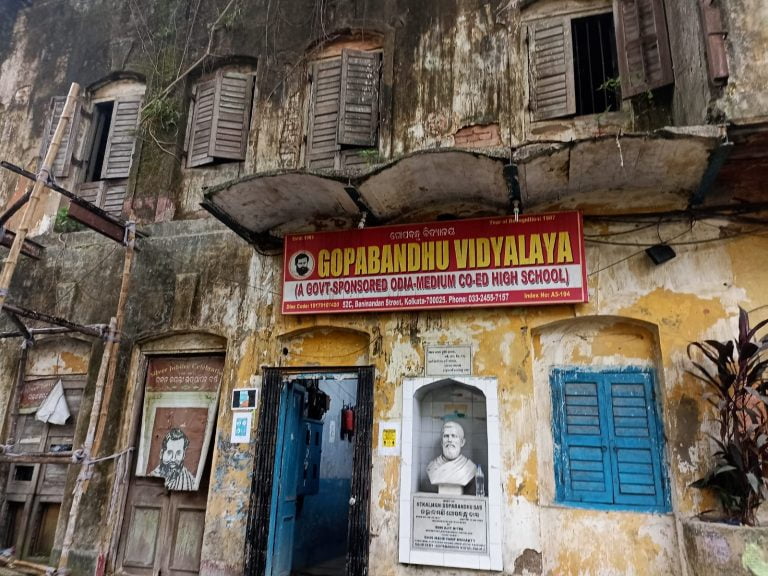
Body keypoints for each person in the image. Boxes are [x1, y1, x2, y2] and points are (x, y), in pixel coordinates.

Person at [426, 421, 476, 492]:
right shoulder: (431, 467)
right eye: (446, 436)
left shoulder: (469, 467)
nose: (449, 440)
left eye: (454, 436)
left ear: (462, 442)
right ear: (442, 442)